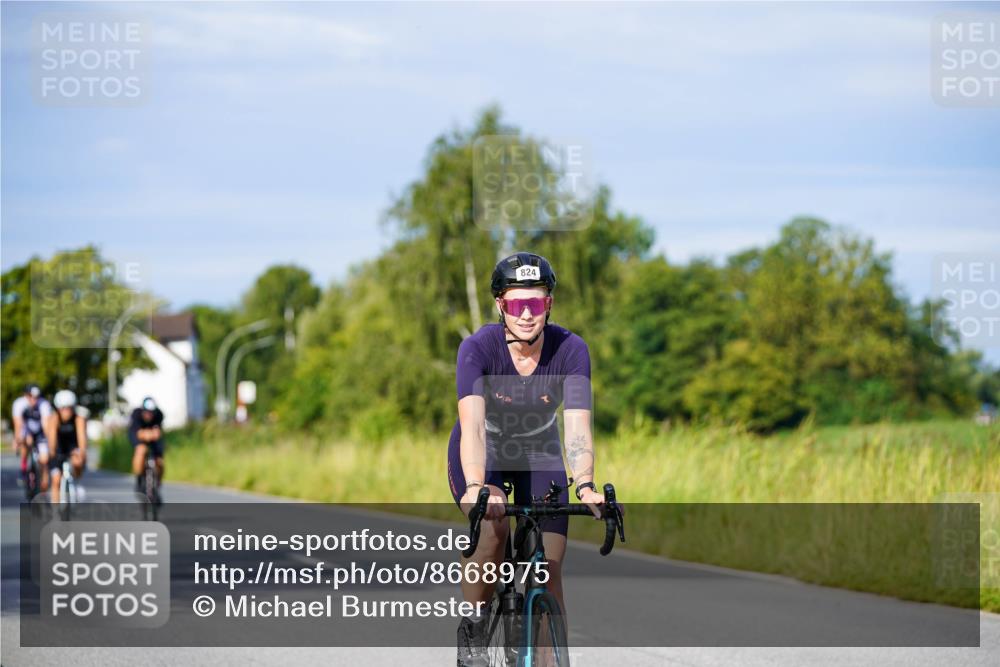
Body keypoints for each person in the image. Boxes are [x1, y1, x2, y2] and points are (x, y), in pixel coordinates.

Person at [448, 252, 605, 666]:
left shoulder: (571, 350)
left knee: (548, 571)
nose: (526, 315)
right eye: (517, 304)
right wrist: (478, 486)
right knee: (493, 528)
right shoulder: (477, 348)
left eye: (535, 303)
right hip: (487, 450)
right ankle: (475, 626)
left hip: (539, 451)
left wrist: (585, 482)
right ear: (501, 304)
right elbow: (474, 428)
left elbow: (576, 427)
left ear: (548, 304)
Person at [44, 389, 87, 504]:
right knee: (56, 479)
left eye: (69, 408)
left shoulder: (79, 419)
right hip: (58, 449)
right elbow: (52, 439)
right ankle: (55, 513)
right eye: (63, 408)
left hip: (72, 447)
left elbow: (82, 438)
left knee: (78, 461)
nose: (66, 411)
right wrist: (52, 454)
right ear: (58, 408)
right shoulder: (53, 419)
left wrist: (81, 453)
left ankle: (76, 482)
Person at [12, 384, 53, 492]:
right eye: (31, 396)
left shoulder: (44, 404)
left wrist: (49, 442)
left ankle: (44, 482)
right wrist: (17, 440)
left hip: (40, 432)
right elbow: (18, 424)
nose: (34, 399)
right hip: (26, 430)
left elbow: (46, 425)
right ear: (26, 395)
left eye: (36, 397)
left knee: (44, 459)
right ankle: (24, 467)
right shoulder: (19, 404)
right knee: (25, 441)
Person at [128, 397, 165, 500]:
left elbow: (157, 432)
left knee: (160, 462)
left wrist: (151, 434)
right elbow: (138, 433)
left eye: (151, 412)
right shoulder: (136, 414)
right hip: (137, 435)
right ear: (143, 410)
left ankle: (157, 486)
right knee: (141, 450)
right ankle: (139, 479)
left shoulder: (159, 415)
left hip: (153, 438)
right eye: (147, 412)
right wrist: (147, 434)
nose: (149, 415)